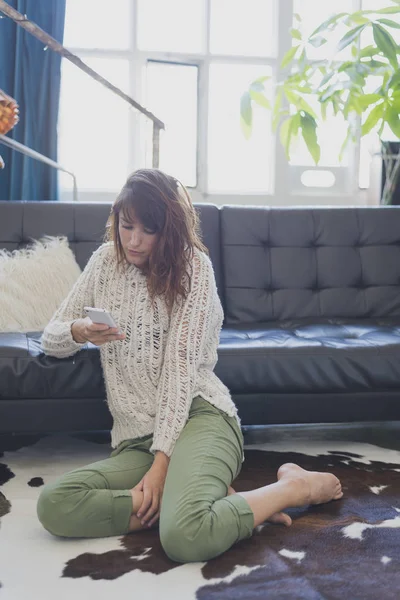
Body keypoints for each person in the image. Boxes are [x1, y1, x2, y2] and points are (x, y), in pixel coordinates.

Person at [37, 168, 343, 563]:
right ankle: (190, 504)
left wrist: (162, 466)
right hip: (136, 441)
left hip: (199, 417)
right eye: (127, 226)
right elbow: (51, 336)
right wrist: (80, 331)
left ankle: (293, 486)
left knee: (185, 539)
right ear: (116, 217)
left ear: (169, 229)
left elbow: (180, 373)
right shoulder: (104, 262)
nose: (133, 240)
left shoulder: (193, 268)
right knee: (54, 505)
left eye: (148, 231)